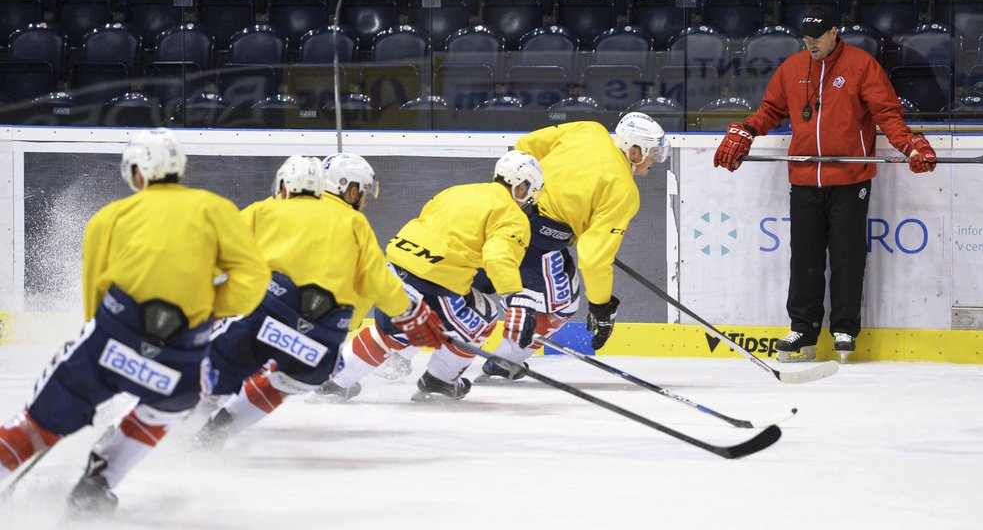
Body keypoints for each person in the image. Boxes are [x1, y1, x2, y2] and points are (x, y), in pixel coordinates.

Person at [0, 128, 271, 512]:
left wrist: (107, 348)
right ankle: (97, 484)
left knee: (38, 424)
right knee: (170, 404)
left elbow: (96, 292)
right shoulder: (215, 209)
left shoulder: (110, 217)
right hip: (181, 353)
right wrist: (209, 309)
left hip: (110, 338)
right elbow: (253, 277)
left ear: (137, 172)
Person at [712, 6, 938, 364]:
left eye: (816, 37)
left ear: (835, 32)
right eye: (805, 37)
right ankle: (803, 327)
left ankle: (844, 327)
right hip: (804, 179)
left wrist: (909, 144)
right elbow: (771, 109)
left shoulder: (861, 65)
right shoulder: (793, 68)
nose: (810, 43)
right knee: (805, 258)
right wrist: (748, 130)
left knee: (847, 258)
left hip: (850, 179)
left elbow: (887, 114)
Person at [192, 154, 445, 447]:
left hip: (267, 310)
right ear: (349, 189)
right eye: (362, 193)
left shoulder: (268, 208)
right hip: (324, 334)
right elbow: (376, 283)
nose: (363, 200)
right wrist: (410, 313)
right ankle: (220, 428)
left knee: (223, 358)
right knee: (283, 382)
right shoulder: (355, 223)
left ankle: (191, 403)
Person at [315, 150, 543, 401]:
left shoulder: (459, 190)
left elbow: (437, 226)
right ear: (521, 187)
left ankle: (335, 382)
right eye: (530, 190)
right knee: (485, 316)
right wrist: (515, 299)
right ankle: (440, 380)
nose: (530, 198)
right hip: (433, 283)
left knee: (388, 331)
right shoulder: (513, 215)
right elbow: (498, 257)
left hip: (395, 268)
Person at [476, 112, 668, 381]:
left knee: (464, 282)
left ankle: (405, 349)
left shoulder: (589, 130)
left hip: (495, 214)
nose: (656, 161)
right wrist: (602, 307)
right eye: (654, 153)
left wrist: (543, 188)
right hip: (534, 240)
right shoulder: (624, 190)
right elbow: (594, 260)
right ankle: (503, 364)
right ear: (635, 151)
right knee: (560, 306)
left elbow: (526, 146)